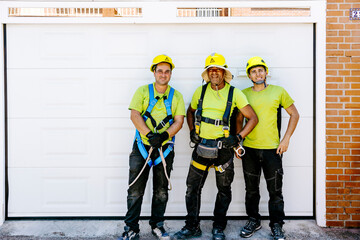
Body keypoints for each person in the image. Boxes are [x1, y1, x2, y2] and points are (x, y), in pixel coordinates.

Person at [174, 53, 258, 240]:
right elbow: (190, 111)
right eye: (210, 70)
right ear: (207, 73)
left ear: (223, 72)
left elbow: (253, 118)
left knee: (224, 190)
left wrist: (237, 138)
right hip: (202, 148)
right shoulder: (200, 91)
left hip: (224, 151)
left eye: (217, 69)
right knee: (192, 188)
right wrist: (191, 130)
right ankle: (192, 226)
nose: (214, 73)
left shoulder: (235, 93)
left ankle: (218, 227)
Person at [120, 54, 185, 240]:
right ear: (154, 72)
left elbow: (179, 121)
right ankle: (131, 228)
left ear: (171, 74)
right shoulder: (142, 92)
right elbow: (134, 115)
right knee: (135, 190)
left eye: (167, 71)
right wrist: (149, 135)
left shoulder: (177, 96)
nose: (163, 74)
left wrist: (164, 136)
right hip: (141, 148)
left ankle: (157, 225)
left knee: (161, 191)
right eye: (160, 71)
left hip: (164, 150)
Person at [239, 56, 299, 240]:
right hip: (249, 149)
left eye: (260, 70)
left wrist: (286, 139)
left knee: (275, 191)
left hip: (273, 150)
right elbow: (238, 119)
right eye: (253, 71)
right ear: (249, 75)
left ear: (266, 72)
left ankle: (276, 225)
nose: (258, 74)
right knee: (251, 190)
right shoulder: (243, 94)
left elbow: (294, 114)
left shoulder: (278, 91)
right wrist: (238, 143)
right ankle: (253, 220)